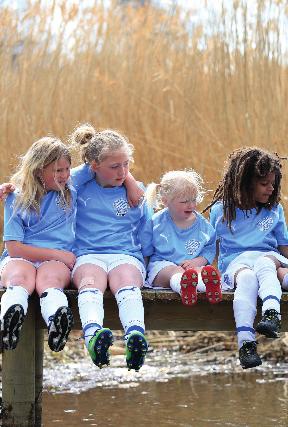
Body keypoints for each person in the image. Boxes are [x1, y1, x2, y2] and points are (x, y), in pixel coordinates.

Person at [69, 125, 151, 372]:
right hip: (88, 255)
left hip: (126, 255)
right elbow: (63, 178)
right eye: (114, 167)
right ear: (94, 166)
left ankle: (135, 337)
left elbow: (146, 231)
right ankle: (93, 338)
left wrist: (130, 181)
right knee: (91, 283)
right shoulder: (78, 188)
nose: (122, 172)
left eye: (126, 165)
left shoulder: (136, 195)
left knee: (126, 282)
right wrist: (129, 179)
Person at [206, 147, 288, 369]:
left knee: (266, 265)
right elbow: (209, 248)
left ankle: (272, 313)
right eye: (264, 184)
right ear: (245, 183)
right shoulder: (222, 211)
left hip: (269, 257)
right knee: (249, 278)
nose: (271, 189)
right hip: (236, 263)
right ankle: (246, 344)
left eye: (274, 183)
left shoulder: (273, 210)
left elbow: (284, 247)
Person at [0, 137, 76, 352]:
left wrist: (130, 184)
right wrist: (60, 254)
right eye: (56, 170)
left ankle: (57, 320)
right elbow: (14, 247)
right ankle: (9, 320)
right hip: (21, 257)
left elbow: (104, 164)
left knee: (50, 280)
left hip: (54, 261)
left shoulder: (70, 188)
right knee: (19, 278)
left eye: (66, 169)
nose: (64, 175)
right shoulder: (16, 198)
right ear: (37, 170)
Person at [142, 170, 222, 305]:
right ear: (165, 201)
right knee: (175, 271)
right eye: (184, 201)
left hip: (191, 267)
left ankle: (208, 288)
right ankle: (183, 286)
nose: (191, 205)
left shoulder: (203, 226)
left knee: (201, 272)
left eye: (193, 199)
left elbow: (209, 248)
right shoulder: (156, 223)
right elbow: (146, 250)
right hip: (162, 267)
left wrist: (199, 260)